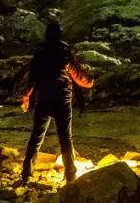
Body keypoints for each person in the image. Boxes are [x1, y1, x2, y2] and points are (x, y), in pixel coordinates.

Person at [20, 22, 93, 183]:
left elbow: (32, 80)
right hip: (62, 99)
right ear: (60, 35)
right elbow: (79, 77)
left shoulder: (40, 55)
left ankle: (26, 172)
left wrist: (26, 99)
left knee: (36, 136)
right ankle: (70, 174)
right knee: (65, 137)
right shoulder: (65, 54)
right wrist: (91, 82)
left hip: (44, 98)